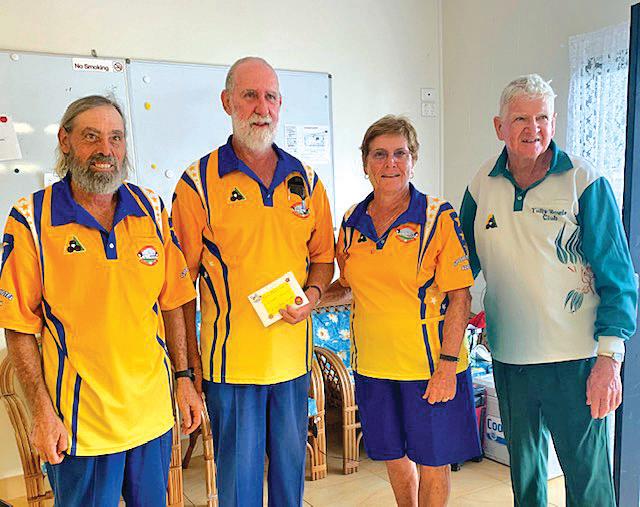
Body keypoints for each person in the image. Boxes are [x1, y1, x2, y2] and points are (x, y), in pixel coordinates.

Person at [0, 95, 202, 506]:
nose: (105, 150)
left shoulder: (151, 209)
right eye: (91, 137)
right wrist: (42, 412)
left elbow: (173, 302)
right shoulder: (32, 220)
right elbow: (18, 325)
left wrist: (184, 379)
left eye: (116, 138)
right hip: (81, 427)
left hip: (151, 417)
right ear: (65, 141)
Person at [460, 74, 638, 506]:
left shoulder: (583, 180)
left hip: (575, 362)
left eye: (542, 117)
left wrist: (609, 359)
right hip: (509, 359)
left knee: (588, 483)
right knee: (526, 483)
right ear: (499, 126)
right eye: (520, 118)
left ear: (554, 122)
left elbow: (619, 278)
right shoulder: (482, 183)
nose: (533, 128)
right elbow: (460, 265)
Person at [171, 57, 335, 506]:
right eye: (250, 96)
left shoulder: (306, 181)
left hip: (293, 365)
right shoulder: (197, 183)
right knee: (239, 489)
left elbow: (324, 260)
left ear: (280, 105)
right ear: (227, 102)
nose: (262, 108)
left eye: (270, 97)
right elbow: (180, 288)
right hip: (231, 369)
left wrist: (313, 295)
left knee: (289, 483)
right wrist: (187, 369)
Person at [332, 115, 481, 506]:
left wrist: (448, 366)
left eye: (400, 153)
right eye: (379, 154)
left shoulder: (437, 216)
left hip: (429, 368)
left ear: (413, 160)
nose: (390, 163)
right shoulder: (351, 221)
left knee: (433, 462)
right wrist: (305, 298)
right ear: (365, 163)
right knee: (393, 456)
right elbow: (347, 285)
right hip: (373, 367)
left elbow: (461, 297)